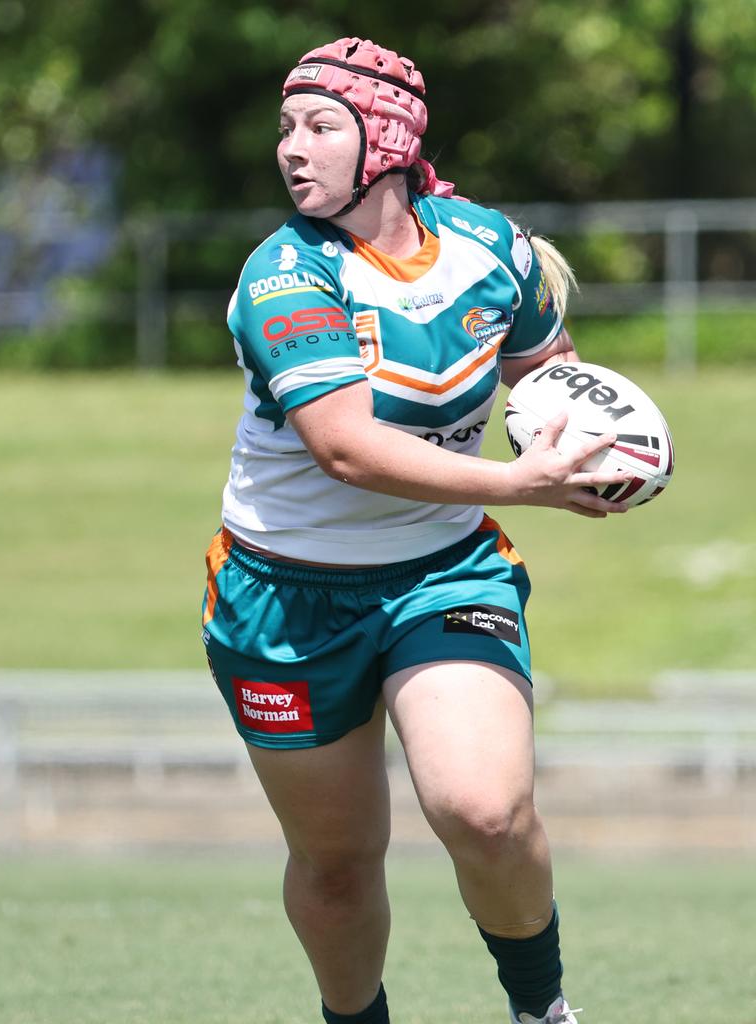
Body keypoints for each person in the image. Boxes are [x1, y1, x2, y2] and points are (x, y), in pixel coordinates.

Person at [202, 36, 631, 1024]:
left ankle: (543, 1010)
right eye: (285, 128)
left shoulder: (495, 250)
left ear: (387, 139)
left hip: (444, 572)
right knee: (340, 864)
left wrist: (600, 442)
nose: (290, 150)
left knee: (484, 810)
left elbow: (551, 379)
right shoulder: (283, 277)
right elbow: (348, 450)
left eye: (319, 126)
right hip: (283, 598)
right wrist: (524, 484)